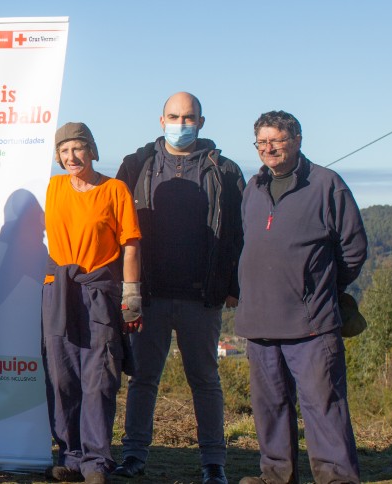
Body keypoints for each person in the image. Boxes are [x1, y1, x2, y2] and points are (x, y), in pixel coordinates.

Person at [111, 92, 242, 484]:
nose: (180, 123)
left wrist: (232, 284)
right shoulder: (136, 165)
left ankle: (213, 462)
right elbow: (115, 224)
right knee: (142, 378)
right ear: (160, 119)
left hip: (201, 296)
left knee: (204, 379)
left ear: (202, 122)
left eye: (188, 117)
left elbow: (238, 233)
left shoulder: (226, 170)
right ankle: (133, 455)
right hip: (148, 292)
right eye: (174, 116)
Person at [234, 111, 365, 484]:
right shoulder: (253, 188)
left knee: (323, 405)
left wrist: (320, 288)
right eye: (262, 142)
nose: (269, 148)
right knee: (270, 406)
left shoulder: (327, 184)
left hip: (311, 322)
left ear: (297, 140)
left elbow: (353, 250)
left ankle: (337, 477)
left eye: (277, 140)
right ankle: (276, 474)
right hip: (259, 320)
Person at [41, 122, 141, 484]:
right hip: (58, 291)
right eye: (64, 151)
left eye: (78, 149)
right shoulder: (52, 188)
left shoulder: (115, 190)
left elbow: (130, 243)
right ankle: (70, 456)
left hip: (100, 291)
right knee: (62, 375)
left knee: (99, 378)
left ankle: (97, 461)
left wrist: (132, 293)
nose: (71, 157)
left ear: (92, 150)